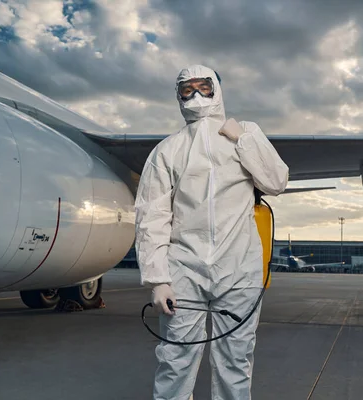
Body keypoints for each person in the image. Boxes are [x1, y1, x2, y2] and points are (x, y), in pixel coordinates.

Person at [134, 65, 289, 400]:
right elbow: (152, 216)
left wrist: (243, 139)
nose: (196, 95)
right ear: (178, 96)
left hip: (239, 270)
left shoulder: (246, 133)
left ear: (218, 89)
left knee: (235, 360)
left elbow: (276, 181)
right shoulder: (167, 150)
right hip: (184, 271)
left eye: (204, 86)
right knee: (175, 359)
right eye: (187, 89)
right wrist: (158, 279)